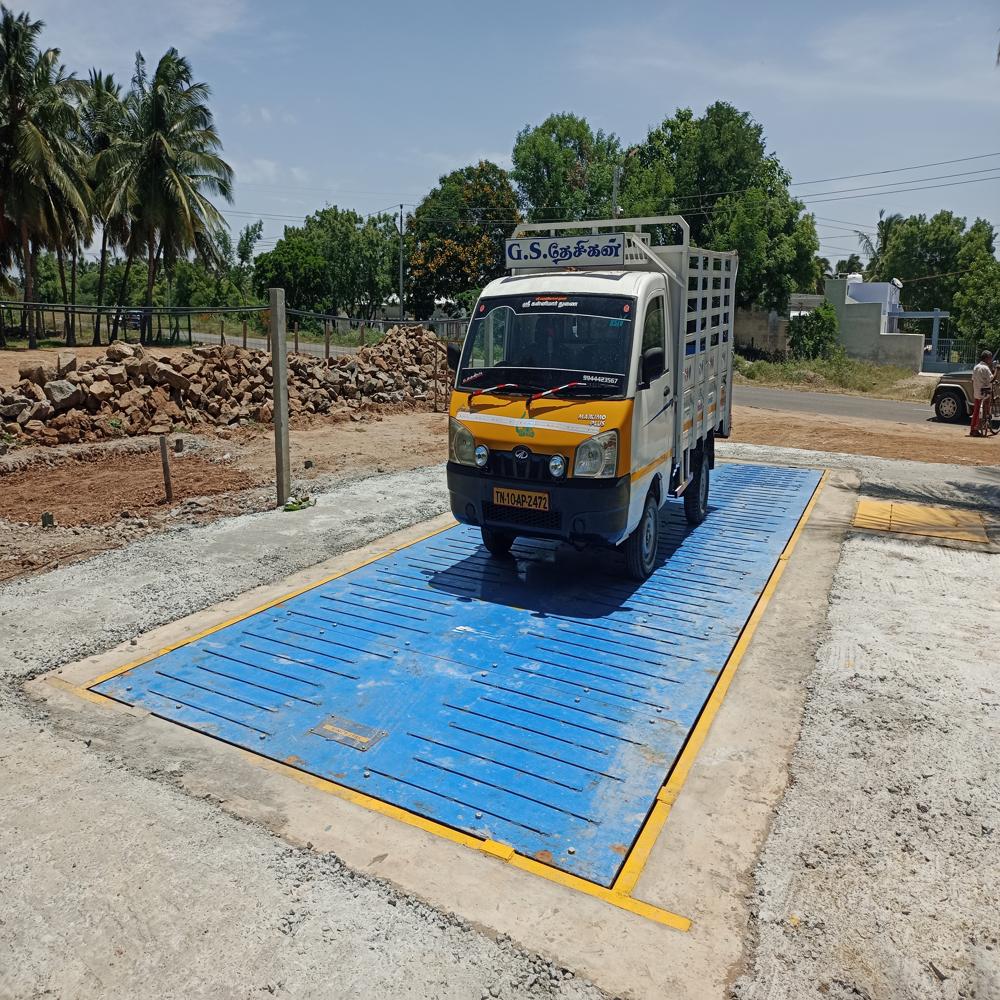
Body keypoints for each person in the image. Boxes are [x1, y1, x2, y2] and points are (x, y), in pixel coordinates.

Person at [970, 350, 995, 437]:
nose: (991, 360)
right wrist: (996, 371)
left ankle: (973, 428)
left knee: (976, 410)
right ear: (987, 358)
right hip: (985, 392)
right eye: (990, 358)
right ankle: (985, 420)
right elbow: (992, 379)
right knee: (986, 404)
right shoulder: (986, 368)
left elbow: (972, 379)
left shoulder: (976, 367)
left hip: (977, 392)